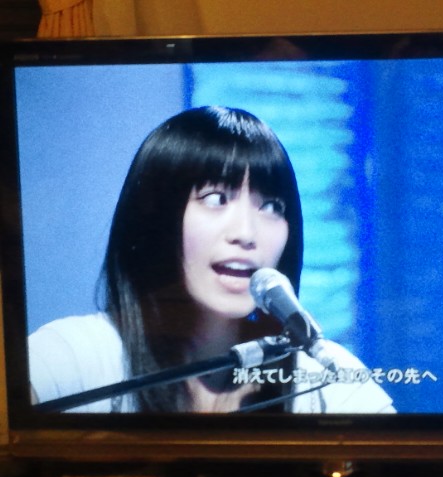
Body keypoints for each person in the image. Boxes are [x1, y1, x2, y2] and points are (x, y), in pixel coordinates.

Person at [28, 106, 395, 414]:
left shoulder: (323, 374)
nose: (246, 233)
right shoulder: (76, 355)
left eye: (271, 206)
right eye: (216, 198)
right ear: (155, 218)